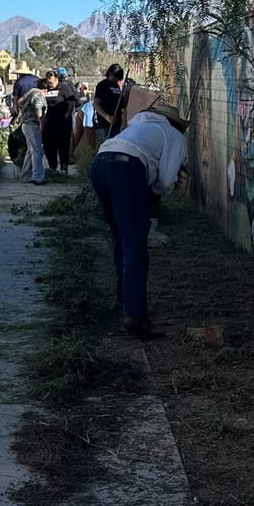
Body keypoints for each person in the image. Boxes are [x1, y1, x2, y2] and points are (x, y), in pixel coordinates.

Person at [89, 101, 189, 341]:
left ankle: (124, 301)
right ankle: (135, 316)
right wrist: (155, 195)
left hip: (100, 163)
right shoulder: (174, 136)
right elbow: (165, 181)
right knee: (135, 244)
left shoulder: (135, 128)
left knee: (120, 239)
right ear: (176, 124)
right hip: (127, 169)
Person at [41, 68, 78, 174]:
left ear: (56, 79)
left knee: (63, 146)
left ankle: (64, 168)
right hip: (49, 122)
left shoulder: (64, 87)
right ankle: (52, 166)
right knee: (48, 145)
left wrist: (68, 113)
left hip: (63, 122)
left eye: (51, 82)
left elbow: (71, 101)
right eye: (48, 82)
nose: (50, 84)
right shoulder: (46, 89)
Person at [13, 77, 48, 184]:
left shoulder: (30, 93)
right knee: (37, 151)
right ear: (45, 90)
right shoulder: (38, 95)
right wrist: (41, 122)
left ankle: (25, 176)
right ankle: (38, 176)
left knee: (31, 150)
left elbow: (19, 102)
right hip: (32, 124)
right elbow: (38, 108)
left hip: (25, 124)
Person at [94, 63, 127, 142]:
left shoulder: (117, 86)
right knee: (105, 147)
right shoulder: (102, 85)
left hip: (117, 124)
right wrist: (107, 117)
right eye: (115, 77)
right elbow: (96, 104)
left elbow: (122, 104)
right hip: (105, 125)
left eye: (118, 78)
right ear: (110, 74)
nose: (116, 80)